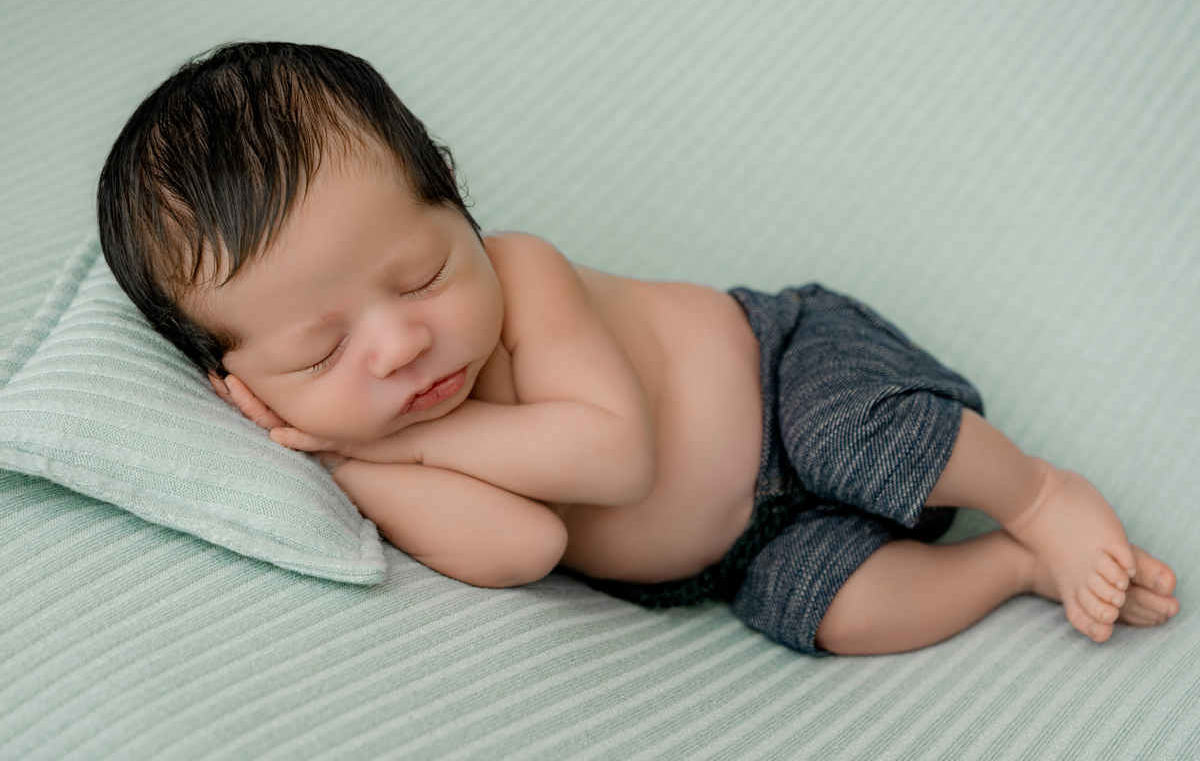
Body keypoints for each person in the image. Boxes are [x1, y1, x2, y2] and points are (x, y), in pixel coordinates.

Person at [97, 41, 1179, 656]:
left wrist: (414, 441)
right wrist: (352, 463)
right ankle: (1011, 561)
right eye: (322, 351)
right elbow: (519, 544)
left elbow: (615, 457)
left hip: (784, 371)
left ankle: (1037, 494)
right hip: (731, 560)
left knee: (859, 434)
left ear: (461, 208)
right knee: (838, 615)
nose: (401, 342)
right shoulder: (371, 459)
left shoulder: (522, 273)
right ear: (241, 392)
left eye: (421, 273)